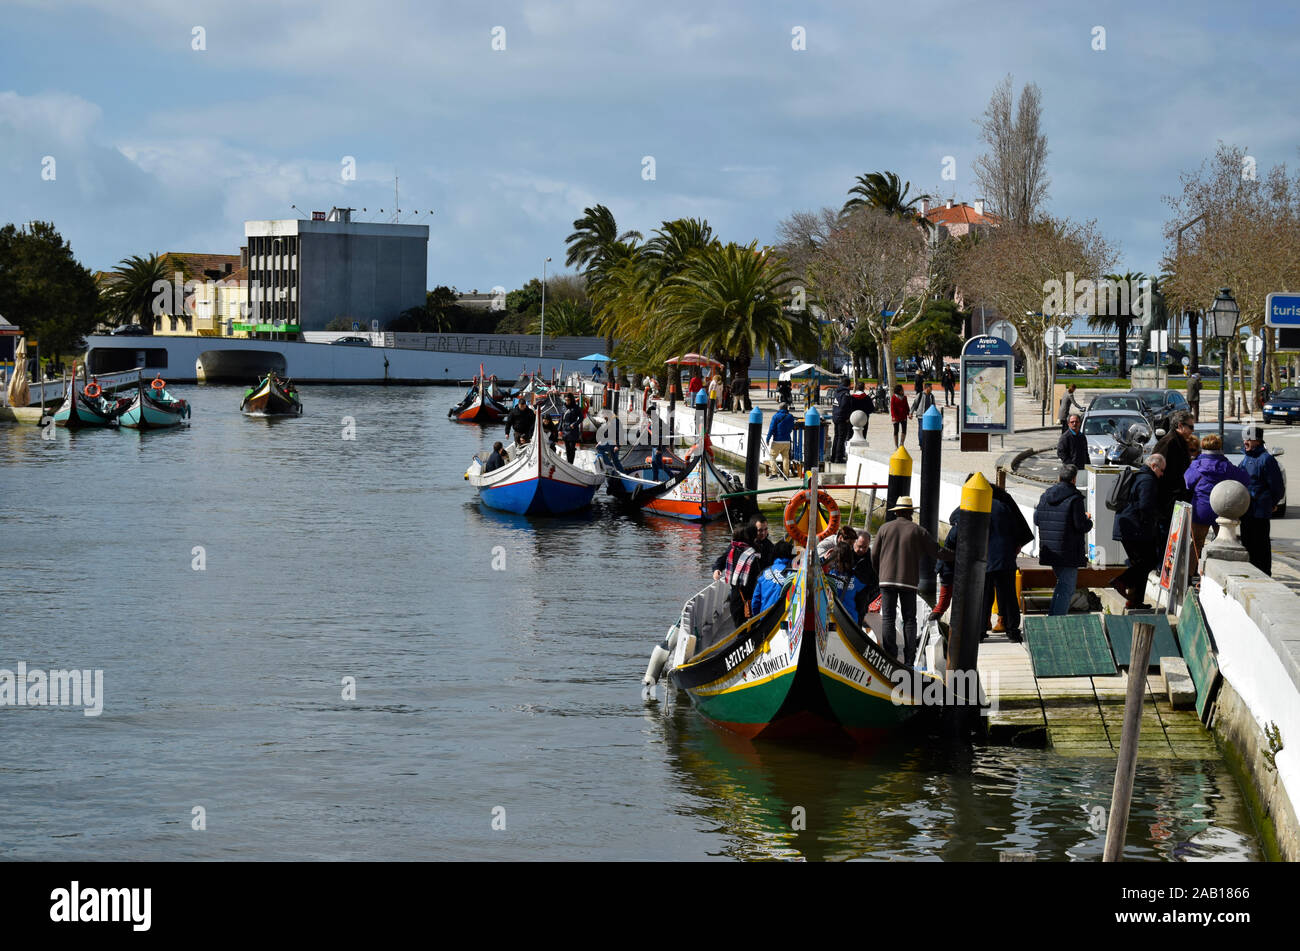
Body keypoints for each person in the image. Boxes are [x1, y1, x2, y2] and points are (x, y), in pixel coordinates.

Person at [871, 496, 953, 665]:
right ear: (910, 513)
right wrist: (958, 556)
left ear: (897, 513)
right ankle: (909, 657)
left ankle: (890, 655)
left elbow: (874, 555)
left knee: (888, 617)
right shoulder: (917, 530)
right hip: (908, 581)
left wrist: (880, 573)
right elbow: (937, 551)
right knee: (909, 618)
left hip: (886, 580)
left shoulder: (884, 528)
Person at [1035, 464, 1094, 616]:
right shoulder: (1075, 499)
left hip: (1050, 550)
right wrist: (1088, 520)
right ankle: (1057, 619)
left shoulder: (1046, 495)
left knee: (1062, 585)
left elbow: (1037, 519)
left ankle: (1054, 616)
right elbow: (1080, 526)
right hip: (1068, 551)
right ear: (1074, 480)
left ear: (1059, 477)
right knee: (1067, 587)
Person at [1184, 432, 1248, 568]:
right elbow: (1245, 479)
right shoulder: (1227, 467)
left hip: (1201, 510)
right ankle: (1222, 571)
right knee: (1225, 544)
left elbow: (1188, 483)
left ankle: (1189, 575)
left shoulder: (1197, 465)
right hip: (1223, 509)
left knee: (1197, 544)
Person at [982, 483, 1035, 640]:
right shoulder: (1004, 503)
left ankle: (983, 626)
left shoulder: (985, 502)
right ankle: (1011, 629)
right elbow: (1017, 526)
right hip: (1006, 555)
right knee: (1008, 592)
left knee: (985, 594)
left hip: (987, 556)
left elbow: (956, 517)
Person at [1112, 453, 1164, 609]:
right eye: (1161, 470)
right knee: (1149, 561)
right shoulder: (1148, 480)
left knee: (1140, 564)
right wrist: (1155, 523)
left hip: (1127, 527)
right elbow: (1145, 507)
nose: (1162, 474)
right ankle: (1121, 581)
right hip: (1135, 530)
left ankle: (1134, 601)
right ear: (1154, 466)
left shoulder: (1139, 476)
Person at [1239, 426, 1285, 577]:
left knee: (1261, 546)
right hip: (1247, 511)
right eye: (1245, 439)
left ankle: (1264, 574)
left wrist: (1271, 503)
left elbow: (1277, 487)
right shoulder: (1246, 458)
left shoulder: (1266, 460)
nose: (1245, 442)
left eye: (1249, 439)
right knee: (1247, 544)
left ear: (1257, 441)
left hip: (1259, 511)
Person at [1152, 410, 1195, 535]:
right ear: (1180, 426)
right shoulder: (1168, 442)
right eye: (1190, 427)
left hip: (1176, 499)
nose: (1192, 430)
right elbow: (1156, 471)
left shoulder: (1179, 441)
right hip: (1167, 501)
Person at [721, 527, 760, 627]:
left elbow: (721, 561)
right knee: (747, 627)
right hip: (747, 599)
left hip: (735, 596)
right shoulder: (753, 557)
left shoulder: (732, 550)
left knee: (738, 625)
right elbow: (755, 581)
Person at [751, 541, 796, 616]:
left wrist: (758, 619)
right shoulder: (793, 574)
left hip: (765, 619)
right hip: (784, 617)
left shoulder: (763, 573)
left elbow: (755, 601)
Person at [766, 402, 796, 478]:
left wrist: (768, 438)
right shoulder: (790, 416)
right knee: (786, 458)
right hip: (787, 441)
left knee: (772, 457)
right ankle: (786, 475)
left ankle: (774, 474)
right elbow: (792, 426)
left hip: (777, 440)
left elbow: (771, 428)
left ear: (780, 408)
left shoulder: (776, 416)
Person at [830, 377, 853, 463]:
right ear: (848, 384)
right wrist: (847, 417)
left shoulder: (837, 391)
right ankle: (838, 457)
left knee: (836, 437)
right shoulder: (845, 393)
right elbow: (844, 406)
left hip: (836, 416)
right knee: (841, 438)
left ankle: (833, 456)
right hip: (842, 418)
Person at [560, 393, 582, 464]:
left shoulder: (576, 407)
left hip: (573, 430)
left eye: (568, 400)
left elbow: (581, 418)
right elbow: (561, 419)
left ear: (571, 400)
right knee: (567, 448)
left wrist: (575, 424)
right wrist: (559, 429)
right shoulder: (563, 407)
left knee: (572, 448)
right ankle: (568, 463)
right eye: (566, 400)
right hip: (565, 430)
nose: (567, 402)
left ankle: (571, 463)